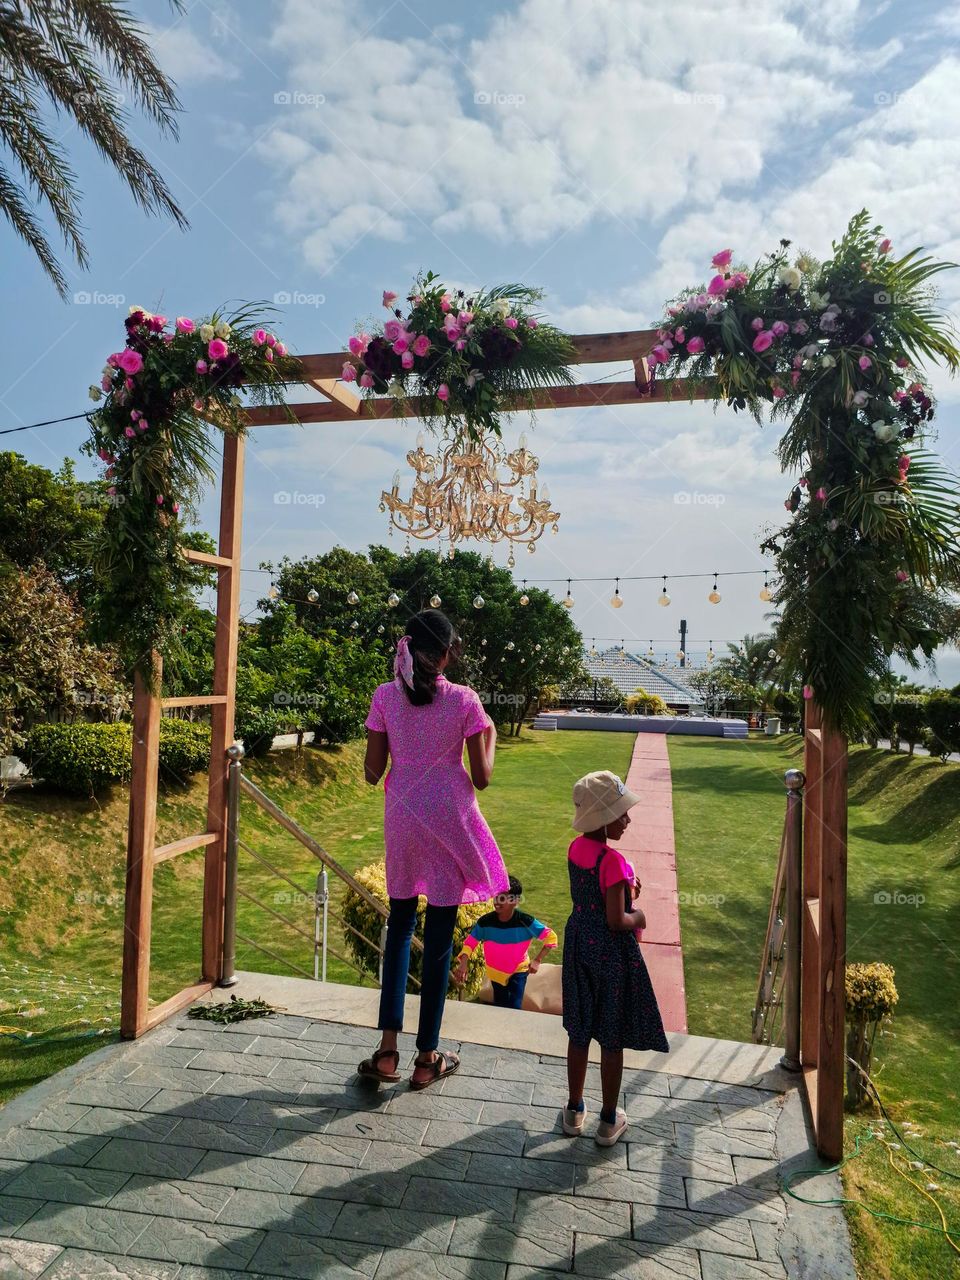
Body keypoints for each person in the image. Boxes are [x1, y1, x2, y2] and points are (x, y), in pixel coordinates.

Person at [358, 608, 507, 1090]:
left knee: (399, 927)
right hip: (449, 819)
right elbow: (482, 778)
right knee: (439, 939)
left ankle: (386, 1052)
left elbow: (371, 771)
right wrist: (491, 736)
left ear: (408, 647)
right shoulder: (465, 701)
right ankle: (427, 1058)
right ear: (446, 654)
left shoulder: (385, 696)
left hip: (403, 815)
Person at [562, 770, 669, 1145]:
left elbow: (592, 896)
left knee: (579, 1032)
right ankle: (608, 1118)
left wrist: (623, 890)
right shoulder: (614, 862)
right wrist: (639, 914)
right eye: (621, 813)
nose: (627, 819)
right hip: (609, 954)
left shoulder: (576, 849)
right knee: (610, 1036)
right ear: (605, 817)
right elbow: (617, 919)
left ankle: (574, 1109)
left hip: (578, 944)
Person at [453, 874, 558, 1009]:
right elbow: (470, 942)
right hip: (495, 973)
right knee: (500, 1008)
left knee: (514, 1008)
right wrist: (463, 963)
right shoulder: (485, 922)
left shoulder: (526, 921)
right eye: (496, 896)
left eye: (503, 897)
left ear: (516, 900)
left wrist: (537, 960)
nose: (497, 901)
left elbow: (551, 937)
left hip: (518, 971)